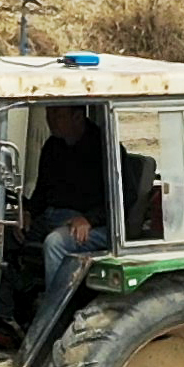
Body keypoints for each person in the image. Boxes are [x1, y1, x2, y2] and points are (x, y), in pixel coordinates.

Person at [27, 103, 115, 298]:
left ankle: (53, 314)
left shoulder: (105, 148)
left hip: (96, 225)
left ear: (77, 117)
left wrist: (89, 219)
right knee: (2, 236)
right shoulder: (52, 146)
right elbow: (42, 191)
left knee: (55, 243)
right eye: (48, 113)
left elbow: (123, 197)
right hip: (52, 216)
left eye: (57, 115)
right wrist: (28, 213)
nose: (50, 120)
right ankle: (6, 314)